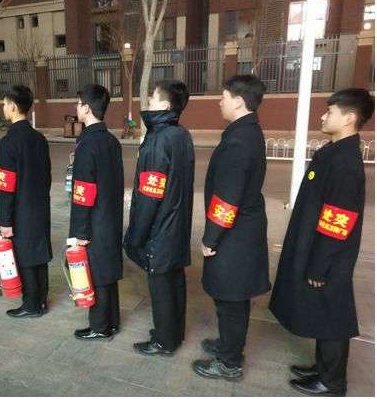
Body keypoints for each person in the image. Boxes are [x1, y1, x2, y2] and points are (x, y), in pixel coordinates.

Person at [269, 88, 373, 396]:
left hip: (329, 256)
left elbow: (337, 220)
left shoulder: (345, 163)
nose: (323, 116)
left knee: (332, 315)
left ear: (349, 118)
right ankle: (323, 368)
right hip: (318, 249)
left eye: (330, 112)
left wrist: (320, 266)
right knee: (322, 309)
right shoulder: (334, 151)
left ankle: (332, 382)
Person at [191, 75, 271, 381]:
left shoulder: (239, 141)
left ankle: (229, 363)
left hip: (234, 235)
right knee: (231, 296)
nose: (219, 102)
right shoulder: (247, 132)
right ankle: (228, 345)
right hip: (242, 230)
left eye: (223, 97)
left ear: (238, 101)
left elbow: (228, 196)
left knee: (231, 298)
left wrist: (211, 237)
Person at [123, 80, 194, 355]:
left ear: (165, 105)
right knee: (175, 282)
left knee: (161, 286)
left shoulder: (159, 140)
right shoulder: (182, 135)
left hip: (160, 229)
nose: (148, 103)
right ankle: (173, 333)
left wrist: (136, 236)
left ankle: (164, 341)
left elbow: (149, 196)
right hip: (177, 225)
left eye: (152, 98)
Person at [69, 84, 124, 340]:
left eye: (79, 103)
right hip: (110, 216)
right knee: (108, 270)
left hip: (93, 220)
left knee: (96, 272)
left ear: (87, 109)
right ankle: (112, 321)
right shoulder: (111, 141)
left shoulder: (87, 144)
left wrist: (80, 232)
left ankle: (100, 326)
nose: (76, 107)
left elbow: (83, 192)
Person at [0, 85, 52, 318]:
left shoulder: (7, 143)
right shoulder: (40, 139)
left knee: (25, 255)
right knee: (39, 253)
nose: (3, 108)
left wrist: (5, 221)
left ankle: (31, 305)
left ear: (13, 107)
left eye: (5, 104)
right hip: (40, 205)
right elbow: (46, 176)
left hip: (20, 210)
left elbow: (5, 187)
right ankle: (42, 300)